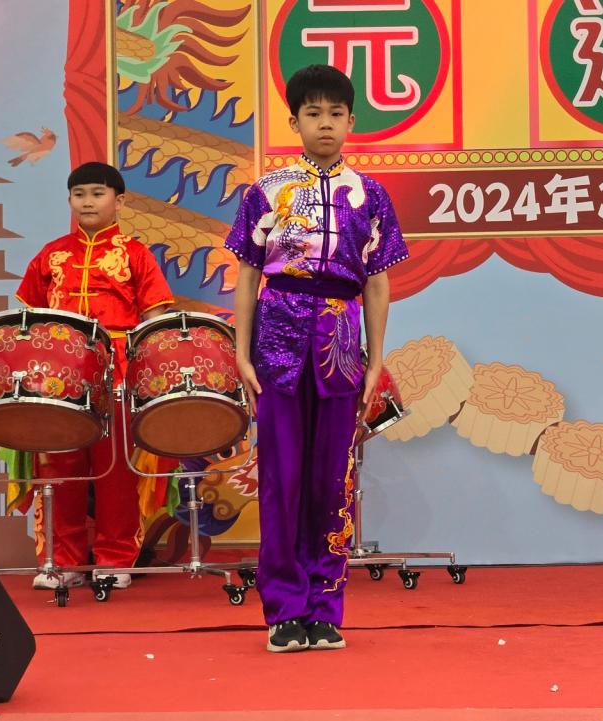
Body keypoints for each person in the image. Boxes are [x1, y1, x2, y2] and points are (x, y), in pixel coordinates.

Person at [226, 64, 408, 653]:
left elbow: (376, 282)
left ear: (352, 121)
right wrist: (241, 353)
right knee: (281, 480)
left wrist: (375, 360)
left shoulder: (371, 196)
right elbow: (248, 275)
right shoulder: (266, 191)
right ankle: (284, 611)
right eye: (313, 113)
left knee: (334, 480)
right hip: (277, 340)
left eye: (335, 114)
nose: (324, 124)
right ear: (294, 122)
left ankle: (326, 608)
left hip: (340, 342)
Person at [15, 161, 175, 590]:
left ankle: (114, 558)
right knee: (59, 468)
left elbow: (156, 319)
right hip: (58, 375)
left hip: (116, 372)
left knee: (116, 470)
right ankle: (61, 561)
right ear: (69, 200)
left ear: (119, 201)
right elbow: (29, 319)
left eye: (97, 193)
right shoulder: (51, 254)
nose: (87, 201)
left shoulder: (136, 254)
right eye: (79, 193)